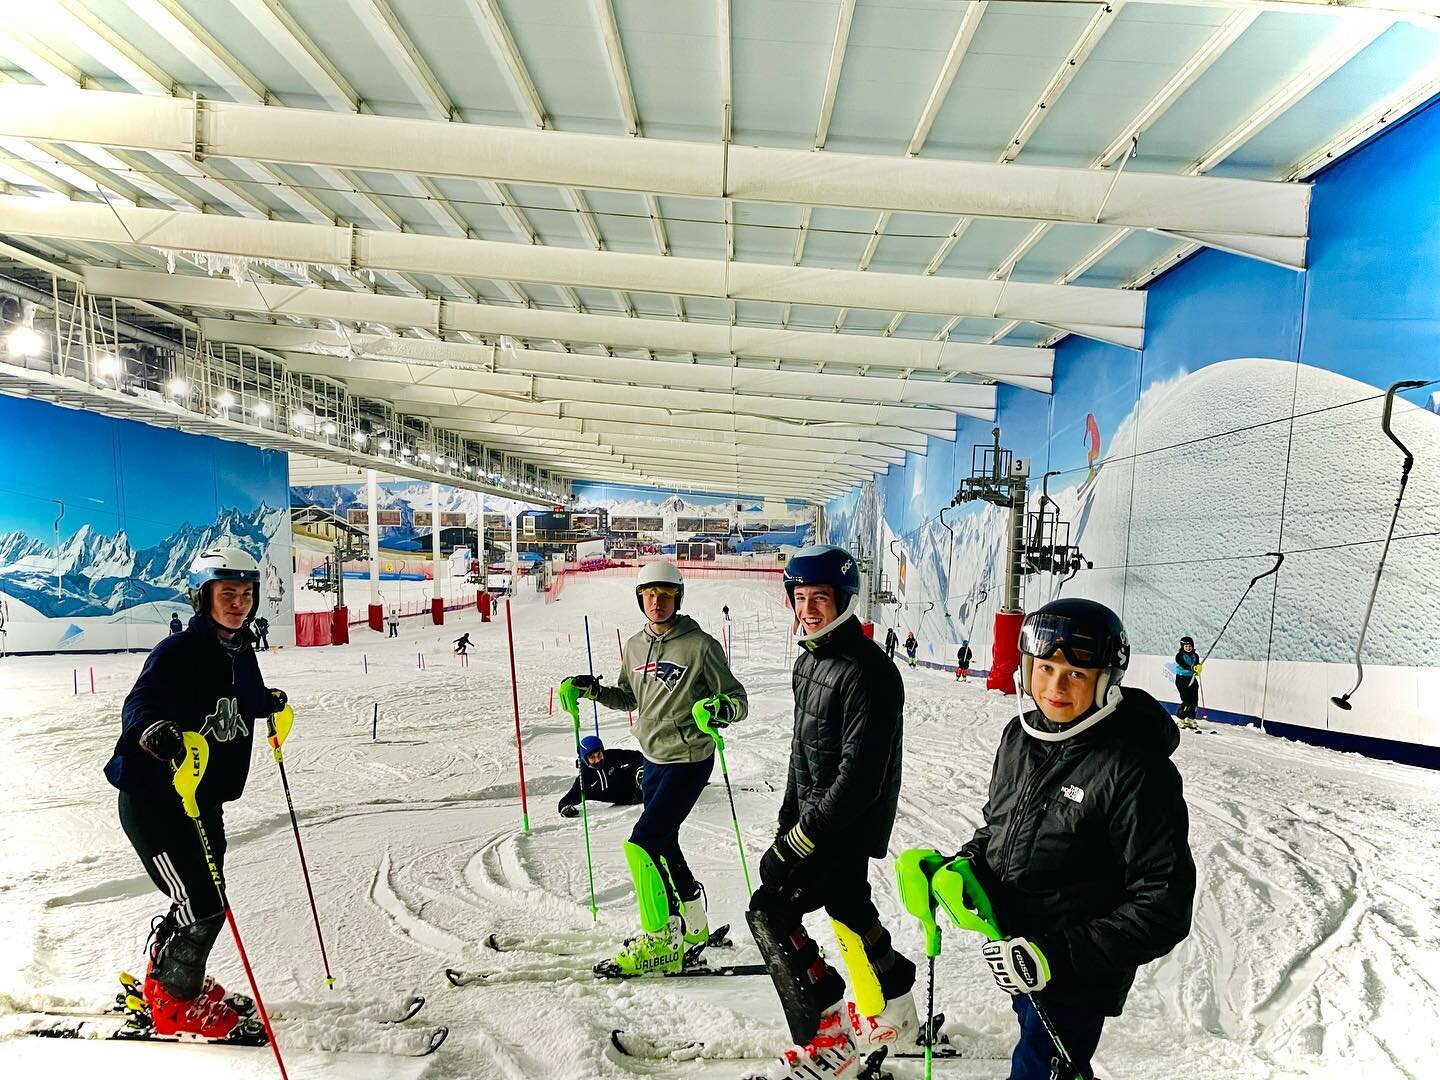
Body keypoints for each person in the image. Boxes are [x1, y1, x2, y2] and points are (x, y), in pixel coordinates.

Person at [918, 598, 1195, 1080]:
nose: (1055, 687)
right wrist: (960, 866)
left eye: (1076, 675)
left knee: (1040, 1068)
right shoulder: (1021, 738)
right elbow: (1001, 828)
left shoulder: (1135, 770)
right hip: (1018, 952)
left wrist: (1058, 955)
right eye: (1044, 668)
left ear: (1105, 682)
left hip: (1076, 972)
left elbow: (1163, 903)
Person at [103, 547, 286, 1043]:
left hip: (202, 799)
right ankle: (172, 1003)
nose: (239, 603)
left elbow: (242, 696)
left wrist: (264, 703)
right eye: (227, 593)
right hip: (155, 797)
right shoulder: (177, 651)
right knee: (201, 901)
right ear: (203, 596)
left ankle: (168, 979)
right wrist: (153, 729)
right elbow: (139, 702)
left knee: (206, 897)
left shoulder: (241, 650)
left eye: (246, 594)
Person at [748, 545, 917, 1077]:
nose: (808, 609)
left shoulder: (869, 672)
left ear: (843, 600)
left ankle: (828, 1040)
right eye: (800, 598)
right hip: (815, 820)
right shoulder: (810, 662)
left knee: (770, 910)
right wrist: (786, 819)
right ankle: (899, 1006)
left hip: (841, 826)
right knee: (850, 909)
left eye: (820, 597)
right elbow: (803, 755)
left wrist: (798, 840)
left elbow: (859, 778)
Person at [561, 562, 748, 975]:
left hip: (690, 759)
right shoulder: (633, 645)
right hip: (653, 758)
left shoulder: (700, 646)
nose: (657, 602)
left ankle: (662, 936)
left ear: (677, 598)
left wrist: (719, 708)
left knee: (642, 840)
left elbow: (738, 700)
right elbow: (628, 697)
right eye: (649, 595)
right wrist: (592, 690)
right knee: (664, 839)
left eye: (665, 594)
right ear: (640, 598)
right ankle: (695, 925)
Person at [558, 735, 645, 817]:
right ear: (585, 759)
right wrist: (565, 809)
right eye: (592, 757)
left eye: (599, 754)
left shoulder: (610, 756)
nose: (598, 760)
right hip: (632, 799)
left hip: (643, 785)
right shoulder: (585, 779)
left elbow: (637, 756)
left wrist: (640, 769)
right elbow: (565, 801)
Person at [1174, 636, 1201, 730]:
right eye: (1186, 646)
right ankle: (1181, 719)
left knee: (1194, 699)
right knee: (1186, 700)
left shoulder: (1195, 655)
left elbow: (1197, 664)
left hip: (1192, 678)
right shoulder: (1179, 656)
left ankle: (1191, 718)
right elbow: (1183, 664)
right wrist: (1192, 668)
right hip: (1182, 679)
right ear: (1182, 647)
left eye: (1190, 646)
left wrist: (1198, 669)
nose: (1188, 648)